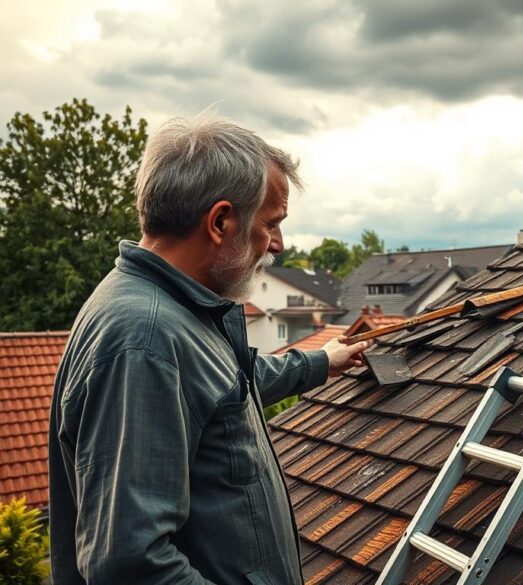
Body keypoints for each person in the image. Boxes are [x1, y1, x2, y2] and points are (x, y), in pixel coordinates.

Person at [48, 115, 369, 584]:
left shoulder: (179, 308)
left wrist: (323, 360)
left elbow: (228, 387)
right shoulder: (144, 339)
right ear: (220, 221)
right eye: (271, 224)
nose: (277, 244)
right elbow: (131, 565)